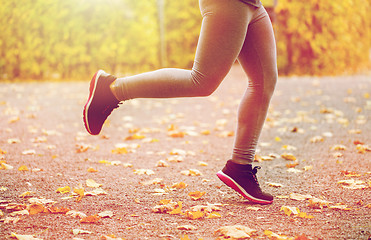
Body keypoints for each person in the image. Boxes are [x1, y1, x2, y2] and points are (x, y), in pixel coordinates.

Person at [83, 0, 277, 205]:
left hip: (253, 4)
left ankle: (241, 167)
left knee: (264, 81)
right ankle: (112, 90)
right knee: (201, 81)